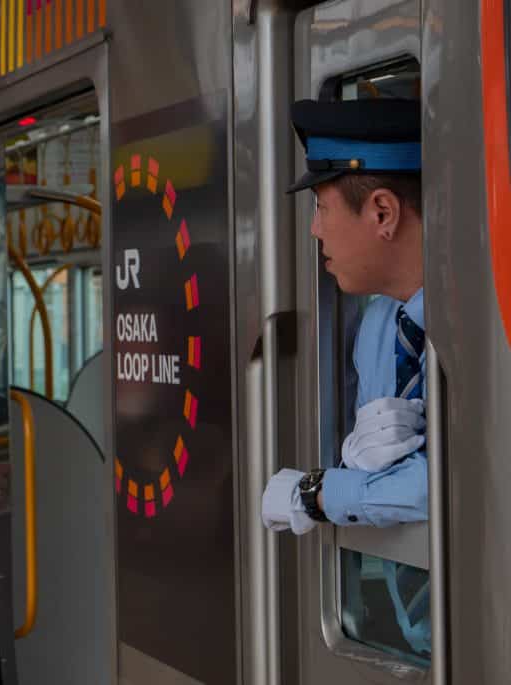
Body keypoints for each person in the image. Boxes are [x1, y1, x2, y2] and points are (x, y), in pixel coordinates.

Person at [260, 98, 430, 654]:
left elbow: (458, 485)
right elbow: (398, 476)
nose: (314, 230)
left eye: (321, 205)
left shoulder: (488, 319)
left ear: (381, 212)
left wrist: (316, 492)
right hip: (411, 643)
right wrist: (360, 471)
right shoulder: (380, 322)